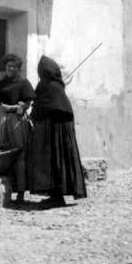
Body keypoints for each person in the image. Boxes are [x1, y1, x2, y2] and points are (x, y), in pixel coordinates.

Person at [29, 55, 86, 207]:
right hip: (61, 128)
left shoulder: (46, 85)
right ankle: (58, 195)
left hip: (55, 129)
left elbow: (43, 105)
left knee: (55, 160)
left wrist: (33, 114)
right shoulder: (58, 84)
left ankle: (57, 196)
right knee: (61, 160)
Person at [0, 54, 35, 202]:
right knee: (1, 153)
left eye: (14, 66)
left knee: (18, 153)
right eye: (8, 66)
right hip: (0, 121)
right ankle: (4, 191)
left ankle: (20, 191)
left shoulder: (23, 83)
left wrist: (14, 107)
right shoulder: (0, 84)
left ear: (18, 69)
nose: (11, 69)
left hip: (16, 122)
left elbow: (26, 104)